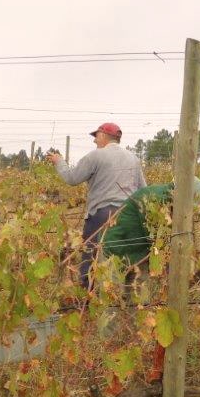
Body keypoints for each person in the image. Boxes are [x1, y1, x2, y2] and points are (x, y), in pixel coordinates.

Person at [46, 123, 145, 287]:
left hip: (102, 215)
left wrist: (59, 162)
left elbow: (72, 178)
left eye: (96, 136)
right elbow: (142, 190)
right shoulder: (133, 159)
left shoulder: (96, 156)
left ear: (103, 136)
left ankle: (88, 294)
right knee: (124, 258)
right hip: (128, 215)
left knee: (90, 257)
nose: (94, 141)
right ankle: (124, 295)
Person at [102, 177, 200, 270]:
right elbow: (158, 242)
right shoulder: (156, 200)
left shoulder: (169, 201)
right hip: (115, 251)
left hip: (136, 253)